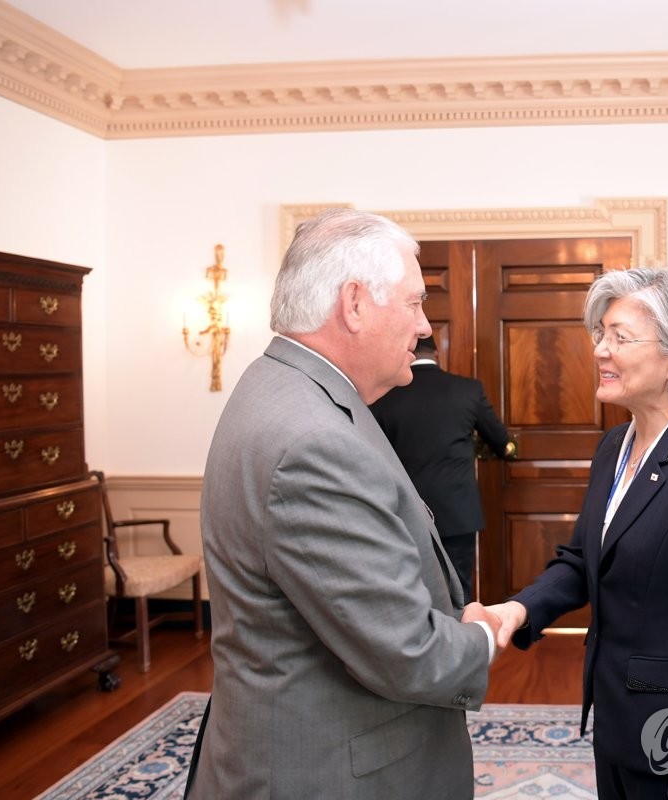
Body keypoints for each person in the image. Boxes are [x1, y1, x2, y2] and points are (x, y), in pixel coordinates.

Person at [186, 208, 502, 800]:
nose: (425, 327)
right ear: (355, 304)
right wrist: (483, 633)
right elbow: (408, 653)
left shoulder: (286, 385)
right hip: (325, 771)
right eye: (414, 303)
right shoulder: (314, 441)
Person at [488, 266, 668, 800]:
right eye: (601, 334)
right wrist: (517, 610)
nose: (599, 350)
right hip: (616, 721)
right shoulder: (613, 447)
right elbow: (582, 560)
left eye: (620, 337)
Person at [370, 334, 514, 604]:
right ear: (437, 354)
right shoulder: (468, 390)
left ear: (408, 352)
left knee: (411, 592)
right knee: (458, 592)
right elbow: (502, 442)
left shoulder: (384, 393)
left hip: (404, 511)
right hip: (458, 511)